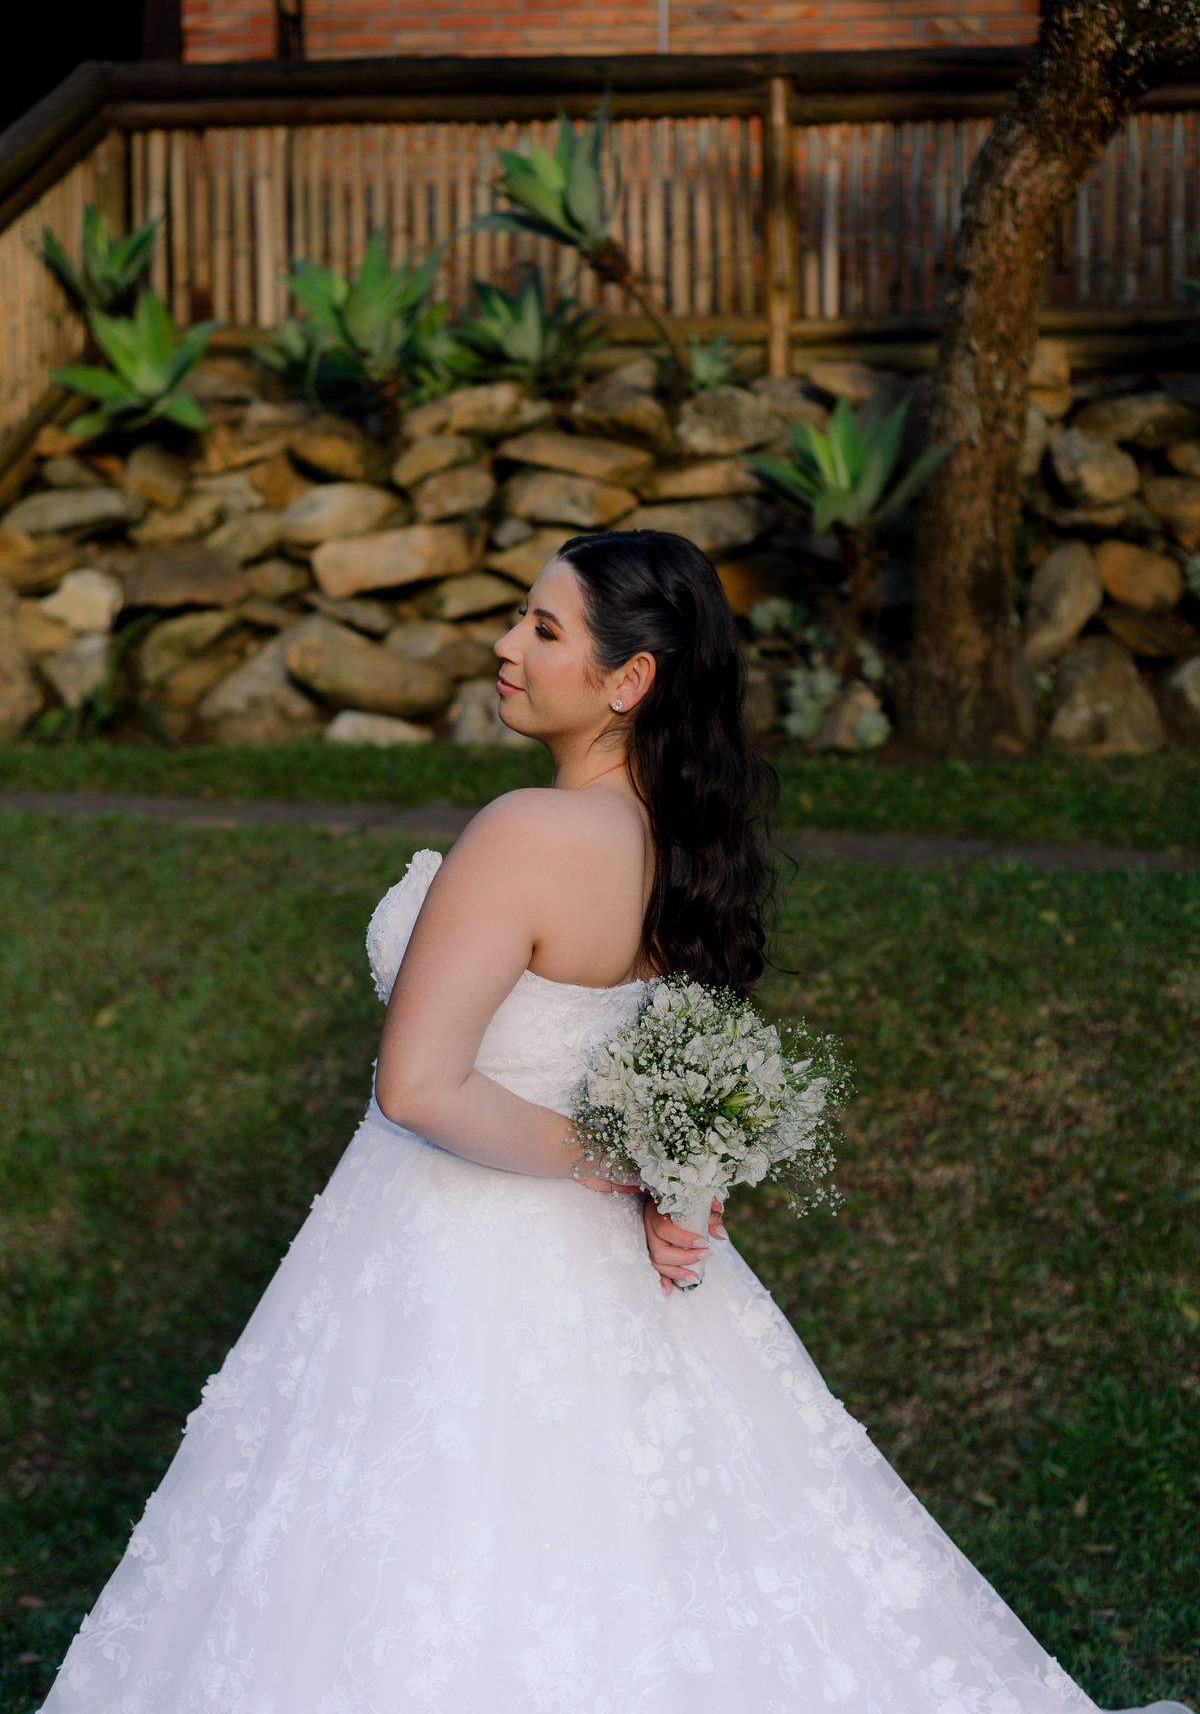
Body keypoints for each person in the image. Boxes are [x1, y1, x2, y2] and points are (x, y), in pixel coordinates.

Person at [41, 530, 1188, 1714]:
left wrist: (614, 1161)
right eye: (519, 618)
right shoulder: (681, 846)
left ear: (628, 679)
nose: (506, 645)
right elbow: (660, 1061)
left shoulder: (524, 833)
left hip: (448, 1250)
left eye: (544, 630)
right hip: (607, 1270)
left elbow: (417, 1086)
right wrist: (669, 1171)